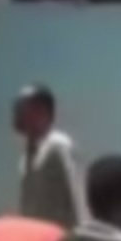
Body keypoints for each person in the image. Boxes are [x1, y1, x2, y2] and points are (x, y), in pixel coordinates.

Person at [14, 84, 83, 230]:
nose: (17, 113)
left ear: (42, 112)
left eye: (23, 107)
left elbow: (77, 196)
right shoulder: (26, 157)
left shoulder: (58, 146)